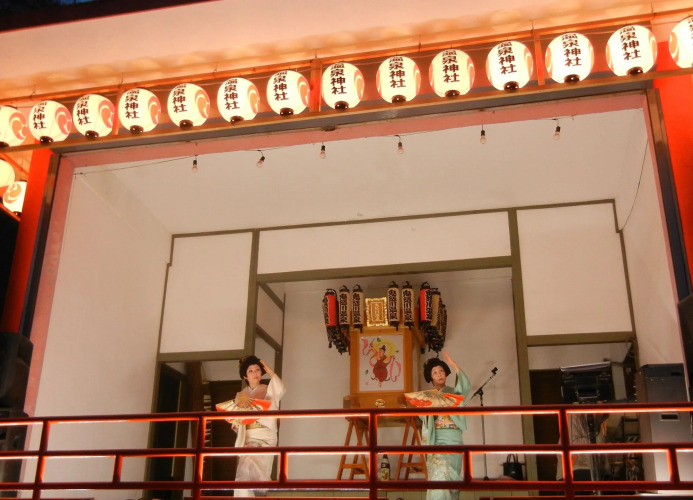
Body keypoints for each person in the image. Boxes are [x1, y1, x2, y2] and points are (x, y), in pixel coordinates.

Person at [420, 350, 471, 500]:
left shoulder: (454, 393)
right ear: (431, 377)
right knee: (438, 475)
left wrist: (454, 365)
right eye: (435, 372)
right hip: (436, 439)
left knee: (450, 479)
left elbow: (464, 387)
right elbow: (424, 418)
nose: (439, 374)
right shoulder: (428, 397)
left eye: (441, 370)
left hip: (452, 439)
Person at [232, 355, 286, 498]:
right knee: (242, 475)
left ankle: (259, 494)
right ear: (245, 376)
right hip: (248, 437)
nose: (255, 373)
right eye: (250, 371)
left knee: (259, 472)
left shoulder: (268, 389)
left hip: (265, 435)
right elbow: (237, 420)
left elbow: (280, 388)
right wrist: (235, 423)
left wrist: (270, 371)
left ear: (262, 372)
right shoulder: (240, 395)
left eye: (257, 369)